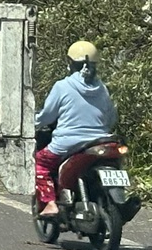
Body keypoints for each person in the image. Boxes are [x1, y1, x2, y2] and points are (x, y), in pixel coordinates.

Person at [33, 39, 118, 219]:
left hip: (68, 143)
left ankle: (49, 203)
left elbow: (47, 116)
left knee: (40, 163)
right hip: (101, 141)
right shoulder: (102, 88)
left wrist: (34, 123)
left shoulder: (62, 86)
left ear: (70, 63)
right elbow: (111, 117)